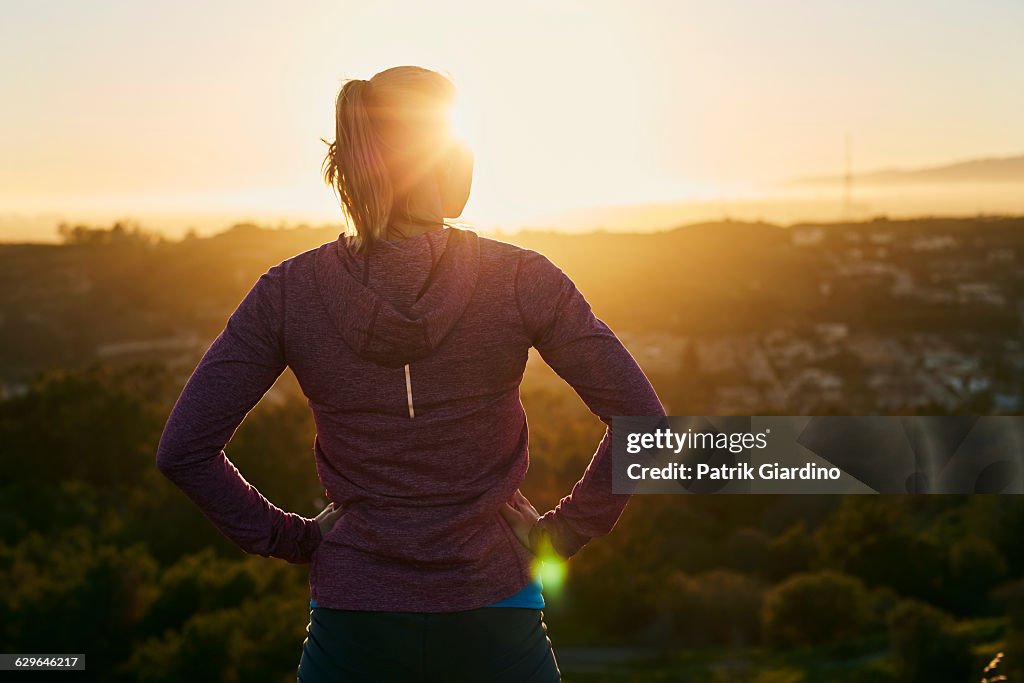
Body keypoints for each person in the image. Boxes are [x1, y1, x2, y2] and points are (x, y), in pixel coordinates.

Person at [155, 65, 666, 683]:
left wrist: (290, 539)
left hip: (354, 621)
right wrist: (564, 534)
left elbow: (184, 452)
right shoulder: (521, 279)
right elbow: (646, 424)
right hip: (496, 614)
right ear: (442, 158)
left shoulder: (289, 293)